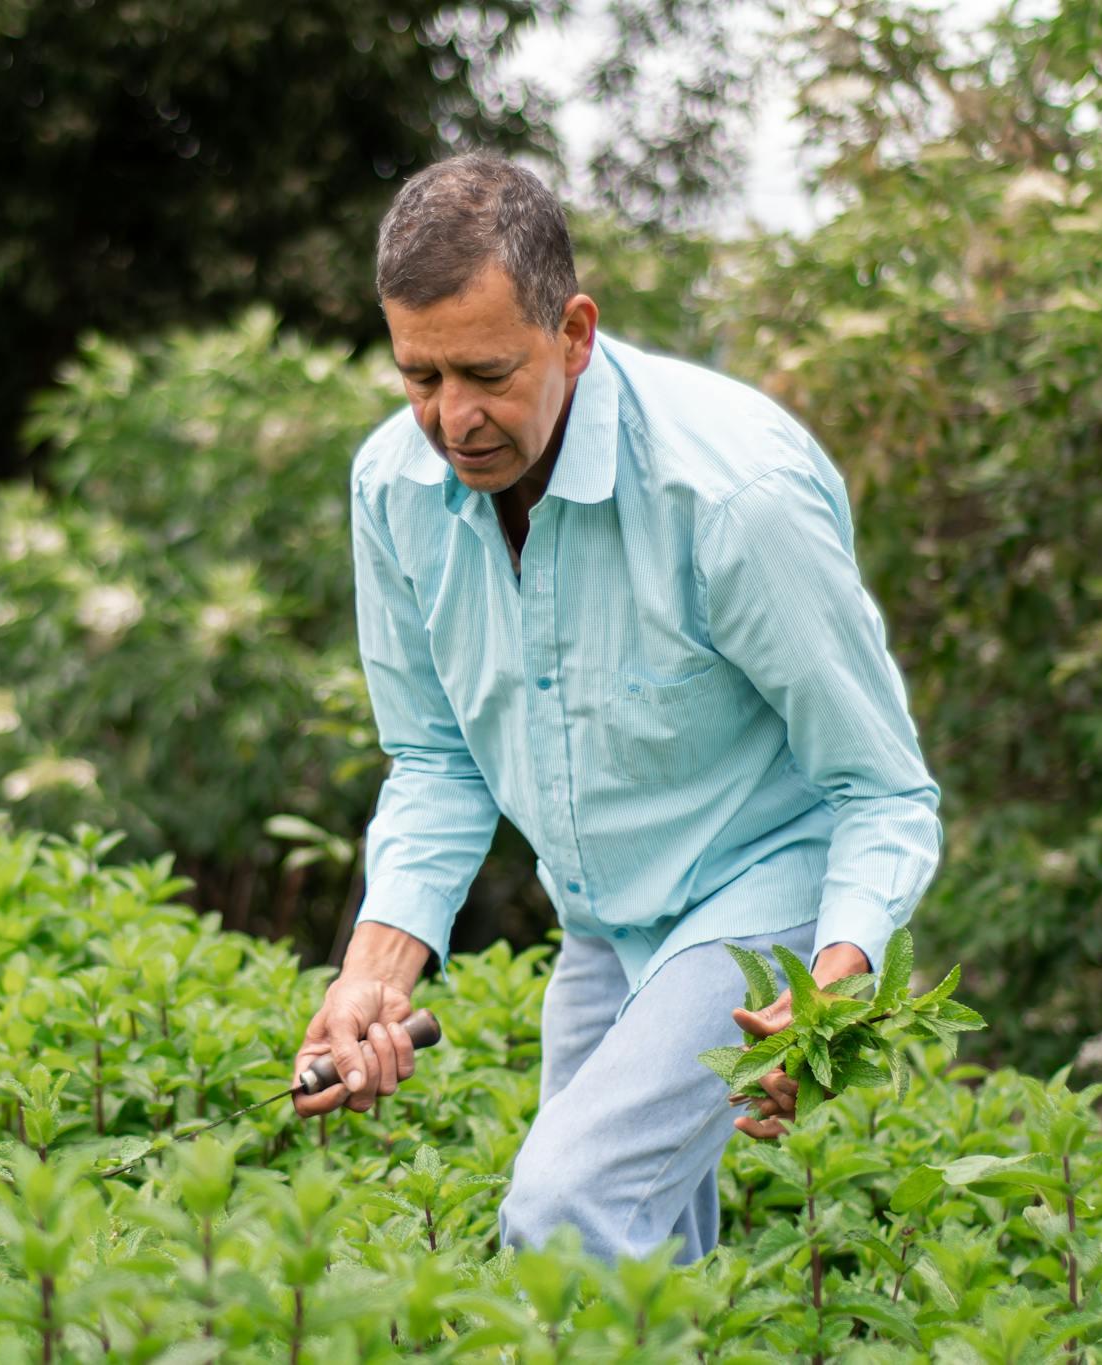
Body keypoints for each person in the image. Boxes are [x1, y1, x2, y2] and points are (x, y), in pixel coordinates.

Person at [289, 152, 942, 1265]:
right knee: (642, 1266)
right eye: (419, 377)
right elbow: (438, 760)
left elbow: (880, 790)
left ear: (574, 332)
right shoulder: (390, 487)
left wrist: (832, 983)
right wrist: (371, 976)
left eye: (487, 373)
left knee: (566, 1210)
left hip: (761, 882)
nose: (452, 421)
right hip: (601, 913)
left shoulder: (732, 496)